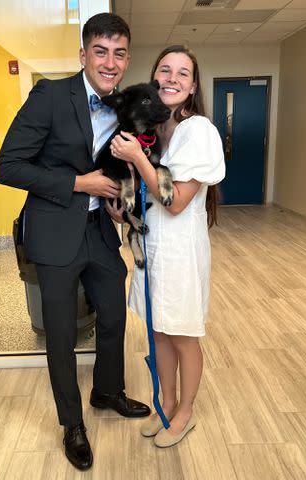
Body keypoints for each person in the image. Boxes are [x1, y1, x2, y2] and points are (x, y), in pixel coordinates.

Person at [0, 13, 150, 471]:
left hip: (100, 231)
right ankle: (71, 423)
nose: (110, 62)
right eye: (100, 51)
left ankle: (106, 391)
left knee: (114, 315)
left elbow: (118, 163)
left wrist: (118, 201)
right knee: (60, 334)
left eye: (119, 53)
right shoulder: (49, 95)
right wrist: (79, 184)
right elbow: (8, 166)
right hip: (56, 231)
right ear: (83, 55)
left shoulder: (122, 103)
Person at [107, 45, 225, 448]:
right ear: (154, 79)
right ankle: (166, 405)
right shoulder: (157, 130)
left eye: (183, 73)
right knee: (158, 332)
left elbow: (174, 203)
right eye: (165, 70)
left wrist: (137, 158)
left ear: (193, 87)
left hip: (179, 254)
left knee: (182, 335)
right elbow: (146, 195)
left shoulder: (199, 131)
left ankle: (186, 413)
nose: (172, 78)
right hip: (151, 252)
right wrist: (123, 210)